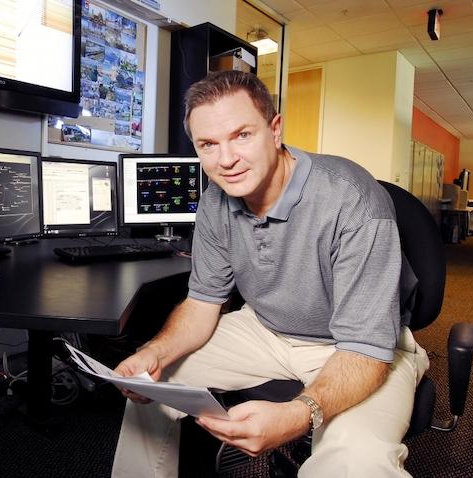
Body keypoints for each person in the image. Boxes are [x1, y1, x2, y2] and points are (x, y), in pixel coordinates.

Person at [110, 70, 430, 477]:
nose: (225, 160)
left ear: (274, 130)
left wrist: (299, 414)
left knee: (356, 460)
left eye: (242, 135)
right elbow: (203, 302)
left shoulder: (353, 201)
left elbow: (364, 346)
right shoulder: (215, 201)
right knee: (150, 383)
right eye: (208, 144)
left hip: (359, 347)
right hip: (265, 330)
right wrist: (155, 352)